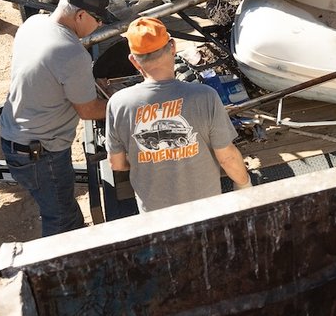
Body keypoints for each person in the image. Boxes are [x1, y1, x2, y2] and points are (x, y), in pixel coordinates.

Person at [0, 0, 113, 237]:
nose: (101, 25)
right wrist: (124, 102)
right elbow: (88, 110)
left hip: (15, 136)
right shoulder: (71, 52)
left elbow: (50, 73)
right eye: (98, 19)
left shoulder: (33, 24)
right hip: (41, 153)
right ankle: (62, 271)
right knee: (63, 221)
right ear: (80, 15)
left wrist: (88, 81)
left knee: (64, 211)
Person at [106, 17, 253, 213]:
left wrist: (149, 159)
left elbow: (116, 164)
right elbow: (227, 157)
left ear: (134, 61)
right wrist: (245, 185)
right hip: (207, 212)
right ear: (173, 47)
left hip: (155, 217)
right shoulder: (204, 96)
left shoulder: (118, 103)